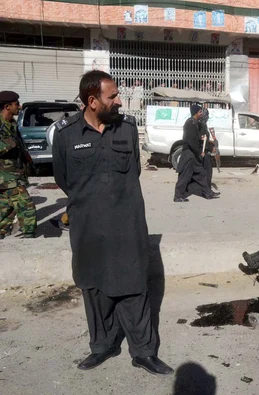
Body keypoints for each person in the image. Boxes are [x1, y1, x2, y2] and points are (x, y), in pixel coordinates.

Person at [52, 70, 173, 375]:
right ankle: (103, 346)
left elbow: (133, 169)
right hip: (88, 228)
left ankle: (144, 352)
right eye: (113, 96)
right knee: (95, 288)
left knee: (134, 286)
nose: (119, 101)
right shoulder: (66, 134)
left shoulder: (128, 129)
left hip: (127, 224)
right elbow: (63, 179)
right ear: (92, 101)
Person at [0, 90, 37, 239]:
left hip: (14, 172)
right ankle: (29, 231)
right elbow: (10, 145)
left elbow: (19, 145)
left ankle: (1, 229)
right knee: (25, 203)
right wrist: (12, 144)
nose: (19, 106)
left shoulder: (12, 123)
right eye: (16, 104)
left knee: (6, 205)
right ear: (7, 106)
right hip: (5, 175)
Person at [174, 103, 219, 202]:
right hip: (189, 155)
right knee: (184, 176)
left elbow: (195, 137)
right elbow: (191, 141)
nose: (201, 113)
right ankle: (178, 196)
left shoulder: (194, 123)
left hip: (192, 154)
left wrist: (201, 138)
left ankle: (208, 193)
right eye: (199, 111)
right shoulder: (190, 123)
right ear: (195, 113)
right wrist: (199, 152)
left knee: (201, 174)